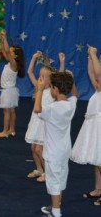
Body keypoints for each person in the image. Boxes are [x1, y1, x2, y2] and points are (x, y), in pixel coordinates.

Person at [34, 72, 78, 217]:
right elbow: (75, 95)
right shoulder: (71, 104)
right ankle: (55, 205)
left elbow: (37, 110)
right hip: (65, 151)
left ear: (55, 89)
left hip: (53, 152)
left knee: (53, 182)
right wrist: (71, 80)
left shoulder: (51, 109)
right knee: (61, 179)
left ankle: (56, 213)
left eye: (51, 87)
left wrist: (39, 89)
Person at [25, 51, 65, 182]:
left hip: (44, 122)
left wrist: (62, 62)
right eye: (40, 75)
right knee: (33, 148)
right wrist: (33, 57)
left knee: (39, 149)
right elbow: (30, 72)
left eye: (44, 76)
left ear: (51, 79)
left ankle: (48, 173)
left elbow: (61, 76)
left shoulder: (53, 90)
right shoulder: (39, 87)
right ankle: (39, 169)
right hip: (36, 121)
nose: (40, 78)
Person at [71, 46, 101, 205]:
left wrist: (94, 54)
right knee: (97, 159)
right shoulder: (98, 88)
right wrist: (90, 57)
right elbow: (92, 73)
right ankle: (98, 188)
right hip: (95, 125)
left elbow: (98, 74)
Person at [0, 30, 25, 138]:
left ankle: (5, 131)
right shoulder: (10, 62)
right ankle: (11, 129)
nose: (9, 53)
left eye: (11, 52)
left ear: (15, 56)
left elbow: (6, 51)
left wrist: (4, 36)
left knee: (6, 112)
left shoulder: (14, 64)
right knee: (11, 111)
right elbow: (4, 50)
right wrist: (1, 40)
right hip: (10, 91)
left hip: (8, 91)